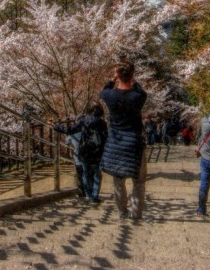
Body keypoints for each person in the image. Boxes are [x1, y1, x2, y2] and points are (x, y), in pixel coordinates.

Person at [100, 58, 147, 221]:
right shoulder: (137, 97)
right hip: (134, 142)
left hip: (116, 142)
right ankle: (136, 214)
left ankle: (122, 212)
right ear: (132, 75)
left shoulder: (110, 96)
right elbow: (141, 92)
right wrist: (133, 81)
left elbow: (103, 90)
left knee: (118, 182)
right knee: (139, 182)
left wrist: (112, 79)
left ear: (117, 76)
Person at [55, 104, 108, 203]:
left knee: (86, 173)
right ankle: (95, 196)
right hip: (97, 153)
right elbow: (106, 138)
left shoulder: (84, 121)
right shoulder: (102, 123)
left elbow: (70, 130)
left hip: (85, 151)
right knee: (97, 175)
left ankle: (88, 194)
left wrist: (58, 127)